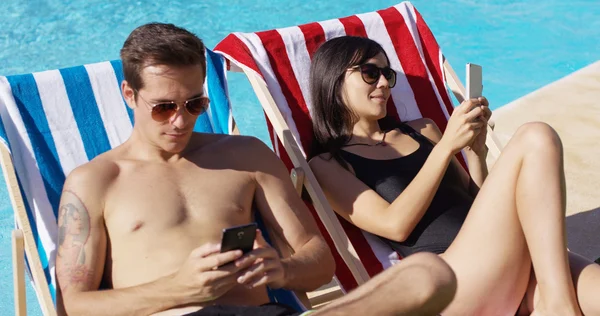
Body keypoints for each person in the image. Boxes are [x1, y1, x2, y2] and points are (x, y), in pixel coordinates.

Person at [55, 23, 457, 316]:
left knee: (427, 274)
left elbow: (319, 261)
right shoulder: (95, 181)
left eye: (194, 105)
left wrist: (281, 270)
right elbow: (74, 305)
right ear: (130, 95)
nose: (180, 121)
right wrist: (177, 288)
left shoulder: (246, 157)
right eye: (163, 107)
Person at [308, 36, 600, 316]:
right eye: (370, 73)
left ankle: (553, 303)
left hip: (508, 263)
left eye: (387, 74)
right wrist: (446, 147)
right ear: (333, 81)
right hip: (454, 283)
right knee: (536, 136)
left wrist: (476, 154)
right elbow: (394, 225)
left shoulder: (422, 129)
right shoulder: (328, 164)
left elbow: (478, 204)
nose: (384, 83)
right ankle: (558, 306)